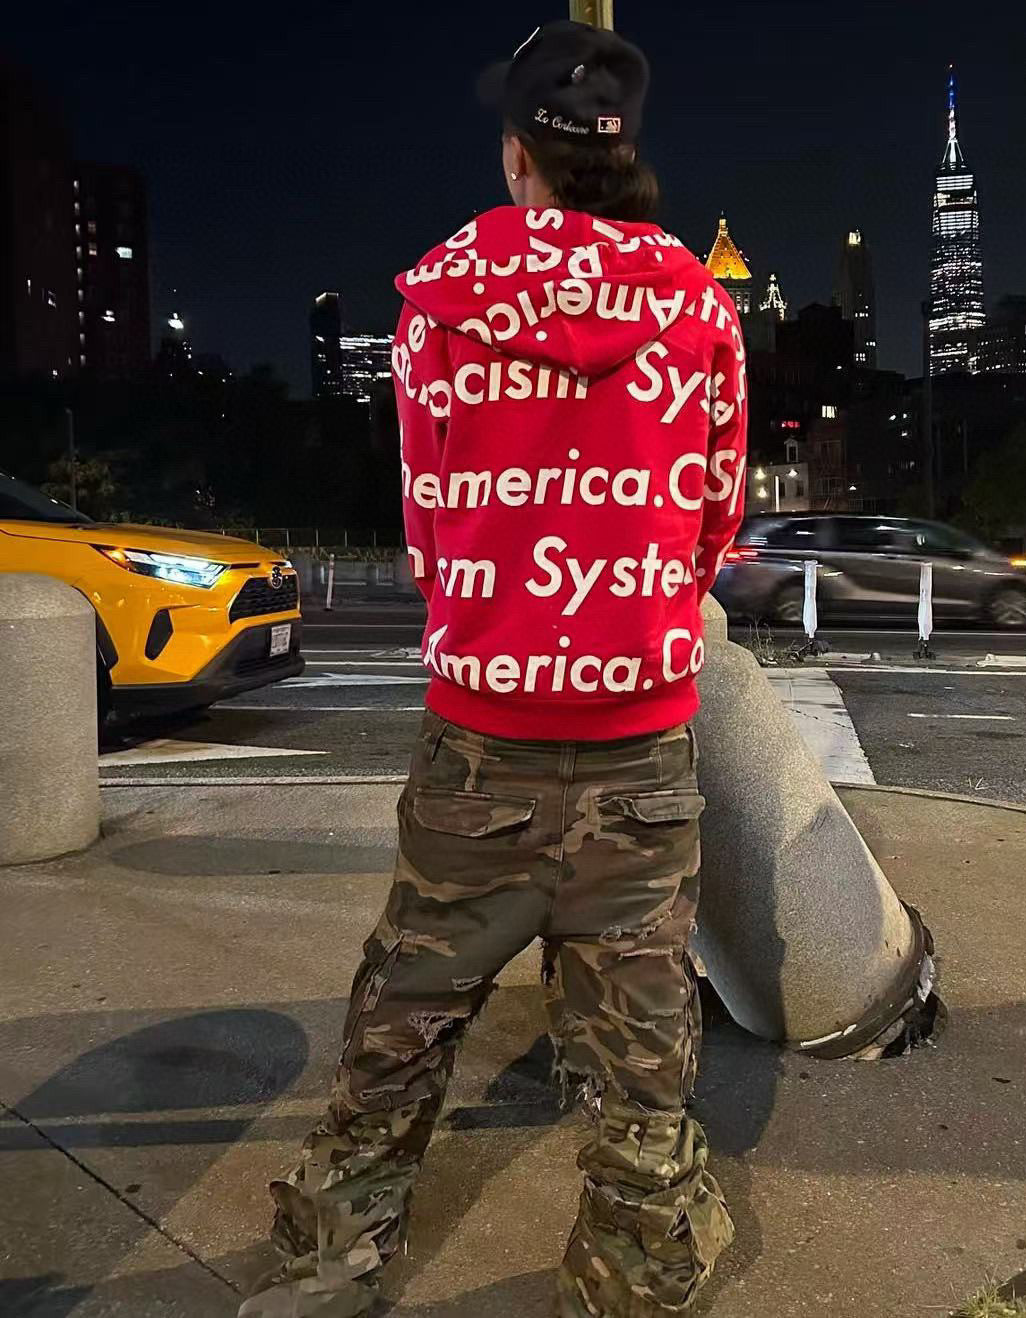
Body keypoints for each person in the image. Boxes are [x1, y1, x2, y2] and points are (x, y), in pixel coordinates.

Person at [239, 20, 745, 1318]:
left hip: (483, 736)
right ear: (620, 153)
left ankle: (326, 1265)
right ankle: (632, 1279)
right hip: (641, 741)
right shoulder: (698, 307)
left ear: (519, 151)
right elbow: (713, 523)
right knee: (639, 1052)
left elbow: (426, 519)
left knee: (404, 1014)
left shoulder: (439, 301)